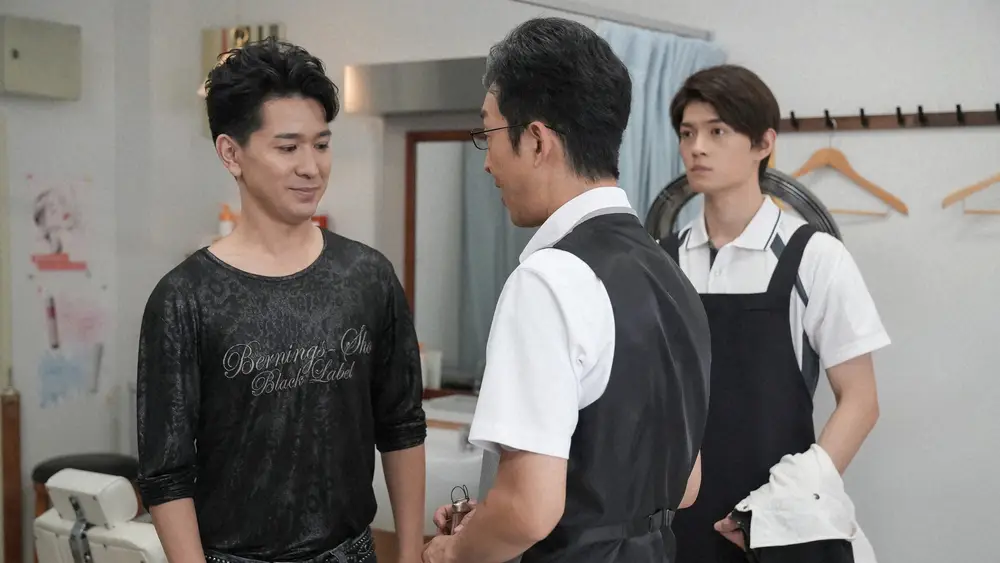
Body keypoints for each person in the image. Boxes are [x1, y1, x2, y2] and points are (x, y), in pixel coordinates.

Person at [421, 17, 712, 563]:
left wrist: (452, 553)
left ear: (536, 140)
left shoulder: (548, 279)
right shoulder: (673, 275)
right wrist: (491, 521)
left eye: (488, 135)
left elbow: (528, 511)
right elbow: (684, 485)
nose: (486, 162)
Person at [136, 38, 427, 563]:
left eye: (322, 145)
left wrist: (408, 554)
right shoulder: (185, 298)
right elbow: (166, 473)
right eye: (288, 148)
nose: (311, 167)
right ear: (231, 154)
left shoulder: (368, 276)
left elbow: (401, 425)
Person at [660, 64, 888, 563]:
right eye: (687, 133)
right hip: (674, 524)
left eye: (717, 131)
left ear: (763, 143)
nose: (697, 147)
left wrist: (785, 503)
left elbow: (861, 400)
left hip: (777, 528)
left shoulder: (816, 257)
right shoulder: (662, 260)